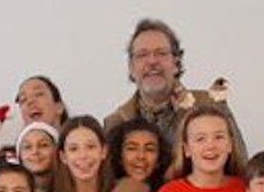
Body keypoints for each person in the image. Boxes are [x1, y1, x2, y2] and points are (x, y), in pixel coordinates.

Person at [102, 18, 248, 160]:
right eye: (142, 55)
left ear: (176, 63)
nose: (152, 61)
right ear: (131, 67)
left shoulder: (210, 105)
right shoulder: (115, 122)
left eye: (161, 53)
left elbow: (240, 165)